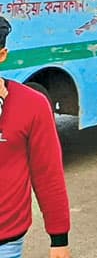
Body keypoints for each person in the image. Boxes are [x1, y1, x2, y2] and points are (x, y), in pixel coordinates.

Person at [0, 18, 71, 258]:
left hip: (6, 243)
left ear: (2, 55)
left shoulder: (32, 105)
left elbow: (48, 174)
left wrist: (59, 240)